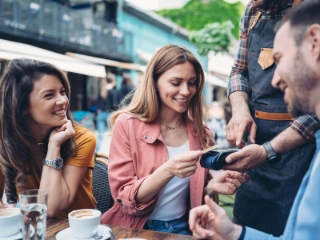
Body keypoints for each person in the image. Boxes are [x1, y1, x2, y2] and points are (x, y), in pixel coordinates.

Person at [189, 1, 320, 239]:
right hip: (253, 154)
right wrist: (240, 110)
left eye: (281, 60)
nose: (274, 80)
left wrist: (268, 150)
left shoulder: (311, 11)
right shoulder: (252, 11)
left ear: (315, 42)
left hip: (297, 153)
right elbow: (239, 70)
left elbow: (315, 112)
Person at [101, 44, 249, 234]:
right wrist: (168, 170)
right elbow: (124, 198)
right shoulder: (127, 124)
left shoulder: (202, 134)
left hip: (183, 228)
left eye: (192, 82)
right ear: (154, 82)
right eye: (176, 83)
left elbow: (189, 200)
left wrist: (211, 187)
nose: (186, 91)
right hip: (131, 228)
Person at [0, 59, 96, 219]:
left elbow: (50, 208)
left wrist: (54, 146)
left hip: (77, 230)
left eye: (63, 92)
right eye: (49, 95)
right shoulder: (6, 140)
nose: (63, 101)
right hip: (31, 228)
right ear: (22, 106)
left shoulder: (81, 138)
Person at [95, 73, 118, 152]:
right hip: (110, 115)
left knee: (100, 136)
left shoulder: (102, 89)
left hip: (101, 114)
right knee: (114, 136)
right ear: (113, 81)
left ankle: (95, 153)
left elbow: (98, 104)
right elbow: (115, 105)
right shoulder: (113, 91)